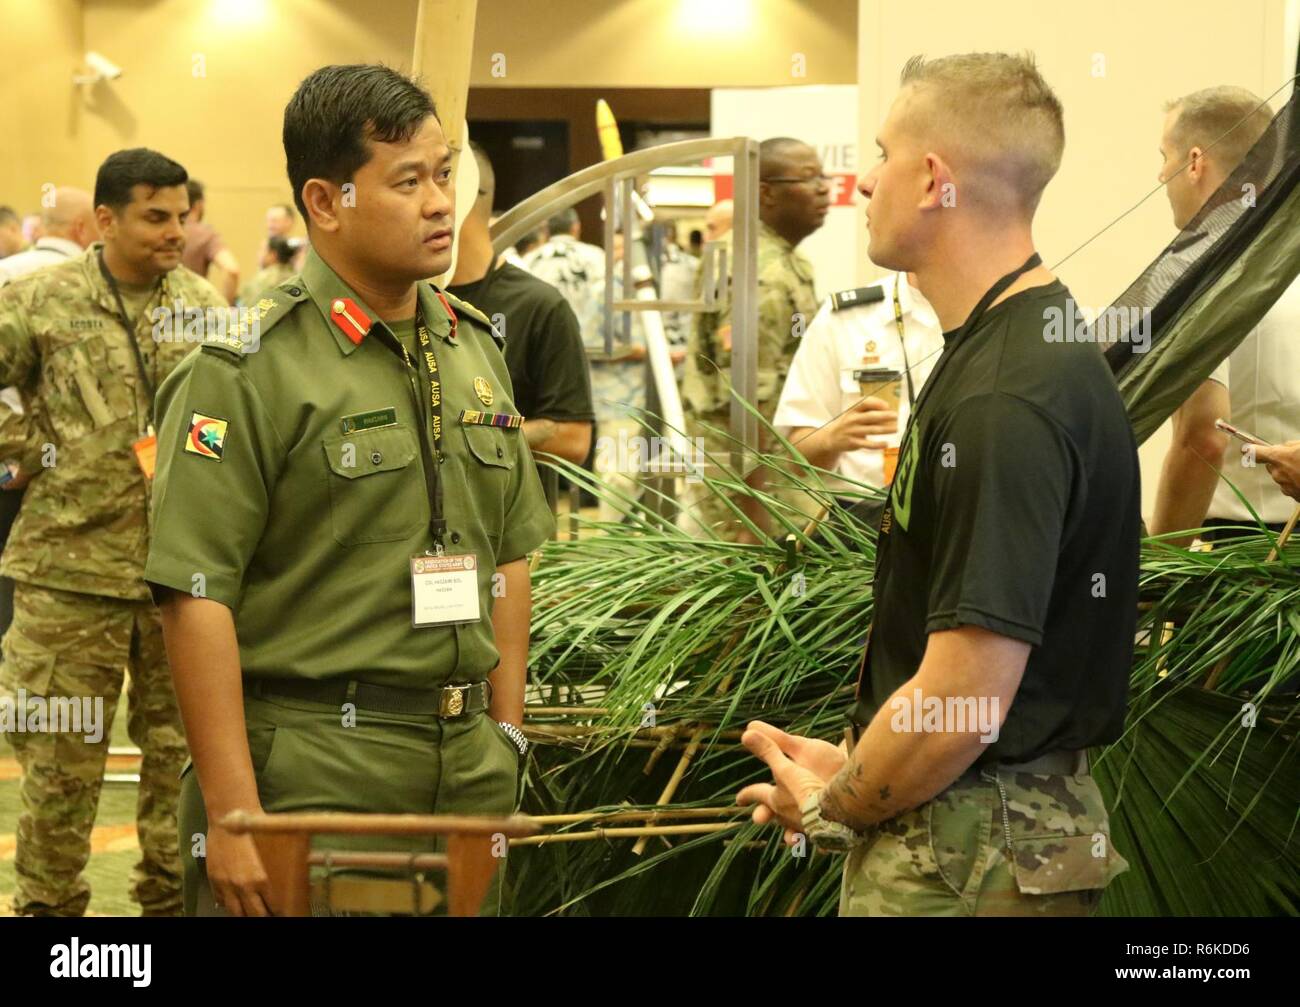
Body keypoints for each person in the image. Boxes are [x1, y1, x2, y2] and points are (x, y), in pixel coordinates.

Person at [145, 63, 553, 917]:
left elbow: (510, 555)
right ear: (326, 202)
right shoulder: (248, 369)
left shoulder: (472, 349)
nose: (441, 202)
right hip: (316, 773)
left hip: (467, 768)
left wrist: (507, 734)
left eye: (446, 174)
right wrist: (232, 811)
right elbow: (194, 594)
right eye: (407, 181)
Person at [737, 52, 1137, 917]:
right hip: (979, 833)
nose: (865, 180)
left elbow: (962, 696)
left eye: (881, 155)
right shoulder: (1014, 347)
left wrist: (832, 805)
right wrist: (861, 761)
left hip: (968, 857)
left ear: (932, 181)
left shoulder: (1007, 393)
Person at [0, 148, 226, 917]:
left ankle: (169, 908)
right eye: (156, 216)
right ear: (105, 218)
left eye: (182, 216)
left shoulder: (202, 302)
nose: (175, 230)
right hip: (68, 571)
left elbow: (232, 417)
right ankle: (49, 916)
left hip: (181, 575)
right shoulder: (41, 297)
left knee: (181, 761)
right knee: (61, 767)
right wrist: (21, 451)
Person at [1146, 86, 1295, 545]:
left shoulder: (1190, 270)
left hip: (1237, 562)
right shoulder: (1289, 250)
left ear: (1195, 162)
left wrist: (1157, 571)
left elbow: (1204, 439)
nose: (1159, 174)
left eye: (1164, 156)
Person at [679, 137, 828, 540]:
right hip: (750, 479)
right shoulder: (757, 271)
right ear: (766, 193)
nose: (825, 188)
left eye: (825, 176)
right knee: (755, 595)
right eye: (810, 178)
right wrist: (754, 506)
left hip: (768, 468)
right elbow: (744, 402)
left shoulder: (777, 258)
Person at [448, 142, 594, 469]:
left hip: (505, 514)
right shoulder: (408, 299)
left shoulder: (538, 306)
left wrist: (463, 440)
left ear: (461, 193)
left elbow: (573, 438)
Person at [0, 187, 100, 638]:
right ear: (82, 227)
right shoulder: (85, 284)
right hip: (65, 467)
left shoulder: (6, 273)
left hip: (11, 460)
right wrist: (43, 449)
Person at [775, 272, 944, 510]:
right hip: (862, 520)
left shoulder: (996, 313)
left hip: (959, 514)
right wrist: (832, 439)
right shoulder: (846, 319)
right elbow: (796, 460)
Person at [181, 179, 241, 303]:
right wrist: (223, 310)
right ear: (198, 205)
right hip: (192, 312)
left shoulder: (163, 232)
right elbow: (231, 270)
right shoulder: (204, 234)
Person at [237, 234, 296, 306]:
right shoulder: (294, 275)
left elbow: (249, 305)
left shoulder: (265, 278)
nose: (258, 253)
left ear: (273, 255)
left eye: (262, 249)